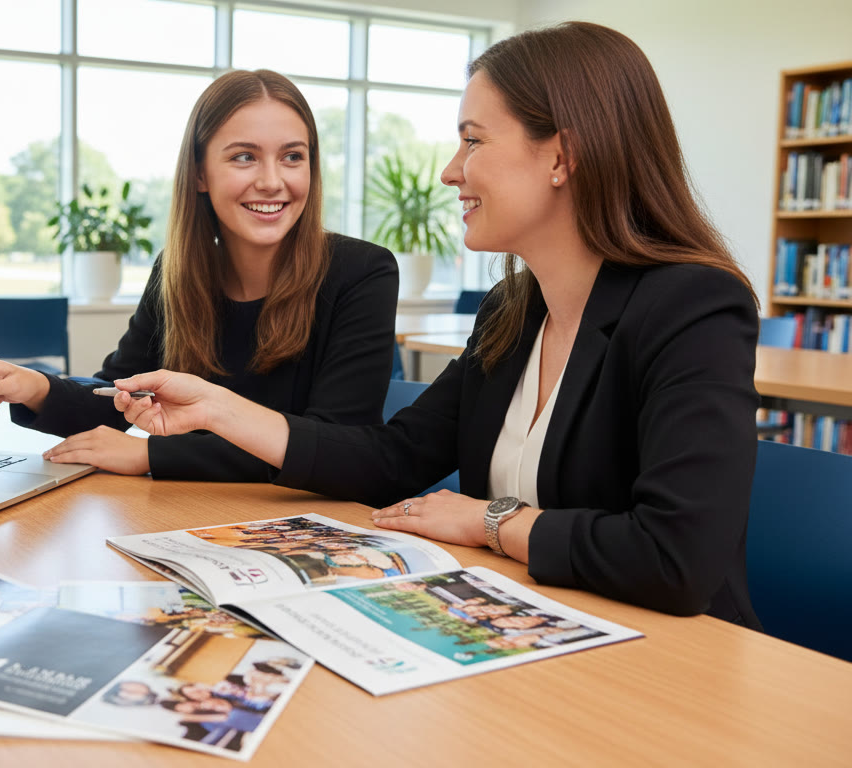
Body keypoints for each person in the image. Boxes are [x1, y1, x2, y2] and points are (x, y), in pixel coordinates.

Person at [102, 22, 761, 627]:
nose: (450, 171)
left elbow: (677, 559)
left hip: (670, 667)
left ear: (562, 156)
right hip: (524, 631)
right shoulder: (512, 313)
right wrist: (221, 410)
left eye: (472, 140)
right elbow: (391, 462)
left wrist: (492, 521)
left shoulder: (693, 305)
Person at [0, 68, 398, 481]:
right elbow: (117, 395)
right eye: (244, 157)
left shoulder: (362, 274)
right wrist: (37, 387)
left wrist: (153, 455)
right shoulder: (178, 272)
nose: (273, 180)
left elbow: (336, 446)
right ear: (199, 173)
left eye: (293, 156)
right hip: (187, 522)